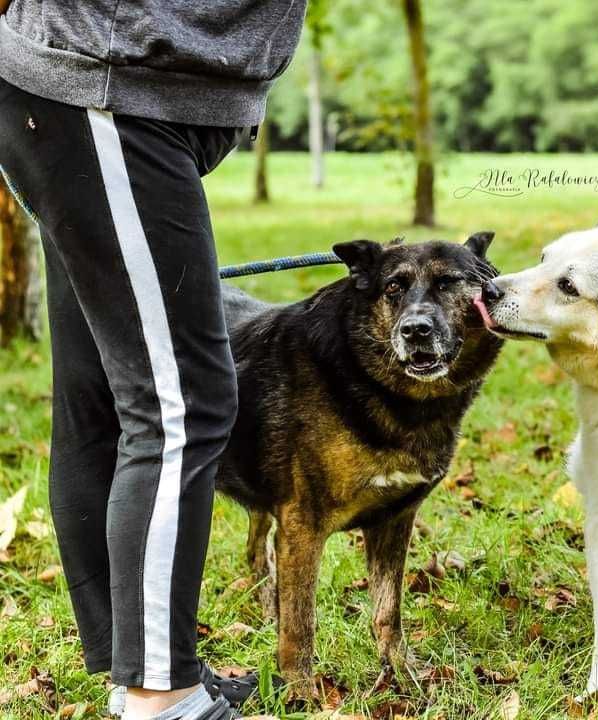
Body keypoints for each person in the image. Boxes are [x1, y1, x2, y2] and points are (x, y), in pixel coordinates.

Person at [0, 2, 308, 718]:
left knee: (107, 399)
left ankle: (140, 666)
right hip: (100, 90)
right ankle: (159, 695)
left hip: (102, 94)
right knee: (182, 405)